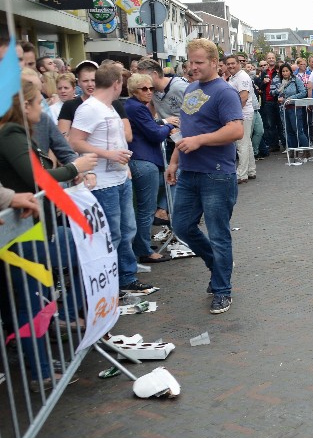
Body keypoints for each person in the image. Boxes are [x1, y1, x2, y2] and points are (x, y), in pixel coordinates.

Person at [0, 73, 96, 391]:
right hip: (20, 235)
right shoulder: (11, 132)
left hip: (25, 230)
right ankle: (44, 363)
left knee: (29, 303)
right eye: (39, 102)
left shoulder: (16, 131)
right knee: (83, 251)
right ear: (24, 105)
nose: (42, 110)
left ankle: (42, 366)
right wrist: (76, 169)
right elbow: (37, 177)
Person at [165, 39, 244, 314]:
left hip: (217, 174)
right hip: (189, 172)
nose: (193, 66)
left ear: (214, 62)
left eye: (199, 62)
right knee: (181, 226)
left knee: (219, 234)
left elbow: (236, 130)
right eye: (190, 61)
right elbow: (186, 130)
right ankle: (217, 264)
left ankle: (222, 289)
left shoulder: (225, 92)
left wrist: (200, 141)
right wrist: (174, 160)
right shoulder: (190, 88)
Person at [68, 63, 152, 295]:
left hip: (119, 177)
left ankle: (125, 277)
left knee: (127, 230)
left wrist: (122, 165)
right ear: (117, 84)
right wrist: (108, 155)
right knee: (111, 235)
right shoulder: (90, 108)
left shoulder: (110, 106)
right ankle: (104, 286)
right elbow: (74, 141)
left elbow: (116, 138)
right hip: (102, 182)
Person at [124, 72, 178, 263]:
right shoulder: (136, 107)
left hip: (142, 161)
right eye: (144, 89)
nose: (149, 92)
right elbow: (154, 134)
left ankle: (142, 244)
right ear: (133, 90)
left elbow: (149, 126)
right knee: (146, 209)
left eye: (151, 88)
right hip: (144, 161)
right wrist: (169, 127)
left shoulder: (134, 106)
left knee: (143, 208)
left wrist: (163, 123)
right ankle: (144, 250)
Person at [225, 55, 256, 182]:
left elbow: (243, 97)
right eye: (228, 64)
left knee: (241, 144)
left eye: (233, 63)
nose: (231, 66)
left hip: (242, 113)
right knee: (246, 143)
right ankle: (250, 170)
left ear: (239, 63)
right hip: (242, 113)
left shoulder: (242, 77)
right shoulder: (235, 76)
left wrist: (235, 115)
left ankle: (241, 174)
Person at [254, 52, 282, 152]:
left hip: (278, 99)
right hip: (267, 100)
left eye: (272, 57)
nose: (271, 59)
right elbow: (260, 87)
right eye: (269, 58)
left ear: (275, 58)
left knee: (281, 123)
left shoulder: (279, 70)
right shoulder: (264, 72)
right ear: (266, 60)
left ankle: (284, 143)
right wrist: (264, 83)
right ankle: (273, 145)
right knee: (270, 124)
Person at [277, 63, 308, 153]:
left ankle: (306, 150)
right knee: (289, 130)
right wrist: (280, 98)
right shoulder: (281, 82)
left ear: (290, 71)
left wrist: (291, 98)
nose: (285, 73)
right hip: (284, 108)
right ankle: (293, 150)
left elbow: (303, 92)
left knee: (298, 130)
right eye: (283, 71)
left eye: (287, 71)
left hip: (295, 108)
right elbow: (278, 93)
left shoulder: (296, 80)